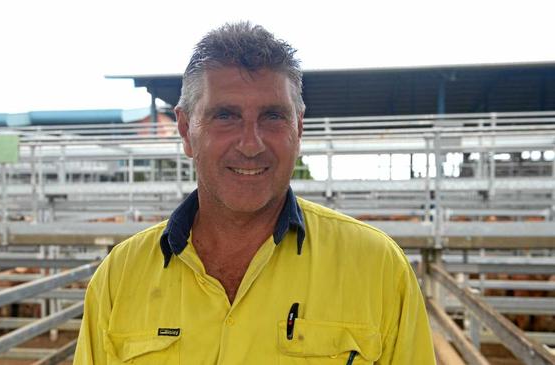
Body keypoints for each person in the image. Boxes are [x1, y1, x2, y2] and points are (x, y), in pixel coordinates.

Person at [74, 22, 435, 364]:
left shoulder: (378, 269)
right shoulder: (119, 279)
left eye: (273, 116)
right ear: (185, 130)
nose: (250, 144)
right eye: (225, 116)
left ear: (299, 128)